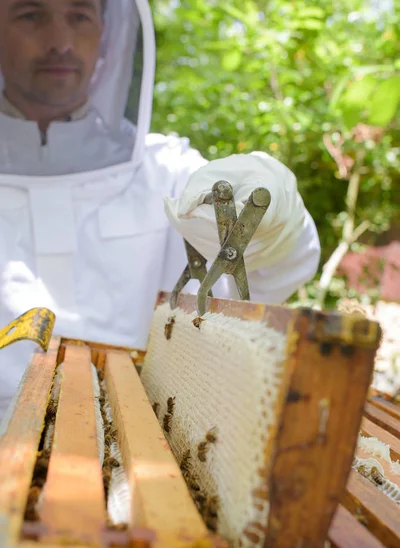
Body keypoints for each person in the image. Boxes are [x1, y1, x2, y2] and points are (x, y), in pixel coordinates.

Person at [0, 0, 320, 420]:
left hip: (144, 445)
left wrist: (275, 214)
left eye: (80, 15)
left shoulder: (168, 170)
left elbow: (275, 273)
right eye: (30, 15)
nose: (60, 42)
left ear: (107, 35)